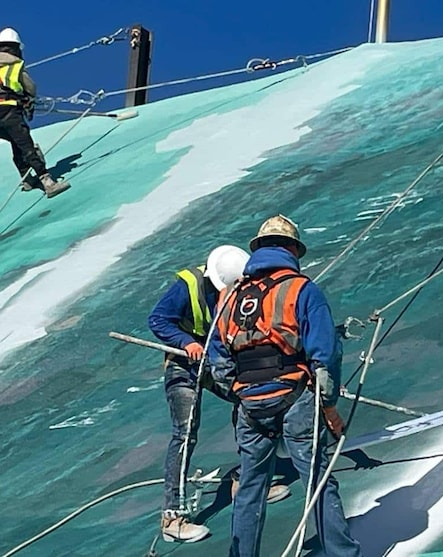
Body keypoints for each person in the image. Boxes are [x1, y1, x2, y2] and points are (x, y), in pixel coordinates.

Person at [212, 215, 361, 557]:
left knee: (250, 486)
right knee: (317, 480)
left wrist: (241, 392)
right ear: (293, 249)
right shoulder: (301, 289)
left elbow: (218, 362)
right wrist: (329, 408)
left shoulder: (229, 298)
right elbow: (323, 357)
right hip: (295, 397)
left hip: (249, 405)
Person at [148, 245, 290, 544]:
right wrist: (186, 342)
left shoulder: (243, 284)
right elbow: (158, 320)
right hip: (184, 363)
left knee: (250, 402)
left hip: (217, 360)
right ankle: (172, 516)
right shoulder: (187, 286)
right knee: (185, 433)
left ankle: (246, 480)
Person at [0, 28, 69, 198]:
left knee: (16, 145)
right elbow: (31, 88)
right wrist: (27, 100)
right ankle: (48, 182)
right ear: (16, 48)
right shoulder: (16, 64)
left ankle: (27, 180)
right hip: (9, 112)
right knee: (27, 147)